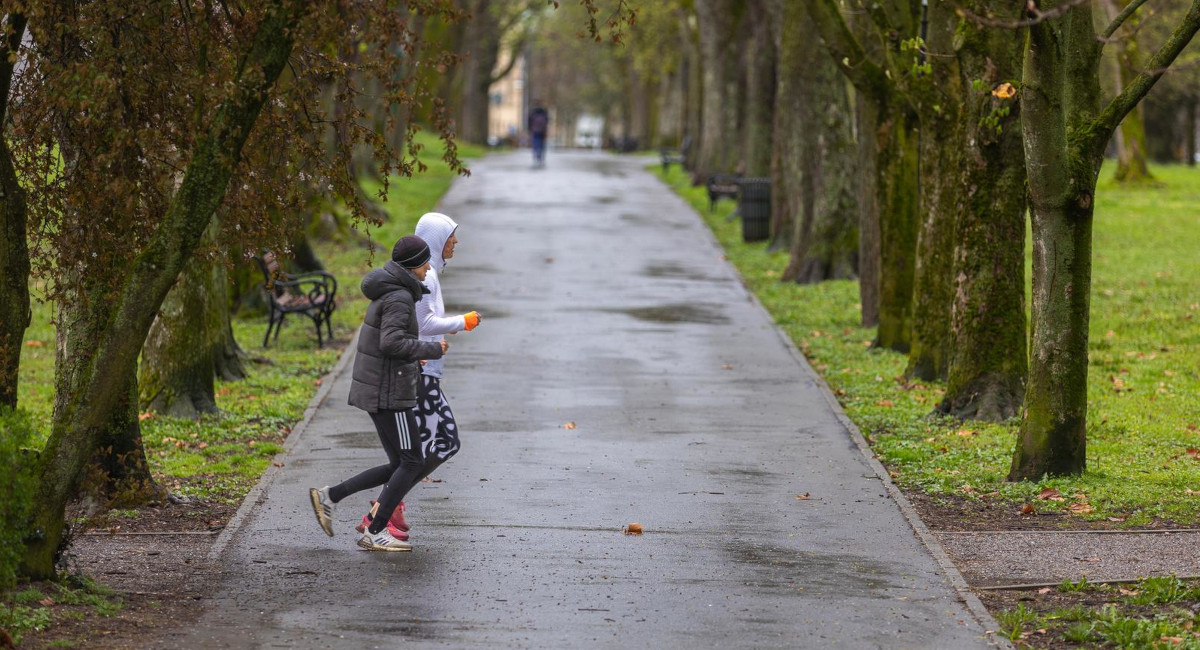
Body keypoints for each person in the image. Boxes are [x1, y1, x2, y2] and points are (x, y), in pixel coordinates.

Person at [309, 235, 447, 552]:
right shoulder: (399, 297)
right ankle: (376, 529)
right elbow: (391, 343)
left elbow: (391, 344)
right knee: (412, 462)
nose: (428, 270)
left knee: (398, 463)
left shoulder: (393, 290)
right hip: (389, 391)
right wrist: (430, 348)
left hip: (384, 384)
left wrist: (415, 354)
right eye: (425, 264)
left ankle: (329, 496)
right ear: (413, 266)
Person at [353, 212, 481, 538]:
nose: (456, 242)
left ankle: (385, 508)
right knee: (433, 446)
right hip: (420, 370)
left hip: (424, 370)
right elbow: (423, 326)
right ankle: (382, 511)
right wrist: (461, 322)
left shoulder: (430, 273)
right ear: (438, 239)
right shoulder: (428, 277)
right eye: (451, 235)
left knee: (421, 450)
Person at [528, 101, 550, 167]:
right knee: (542, 145)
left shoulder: (532, 113)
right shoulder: (544, 112)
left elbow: (529, 123)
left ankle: (536, 157)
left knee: (535, 145)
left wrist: (529, 130)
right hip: (542, 131)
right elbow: (547, 122)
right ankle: (541, 158)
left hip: (535, 131)